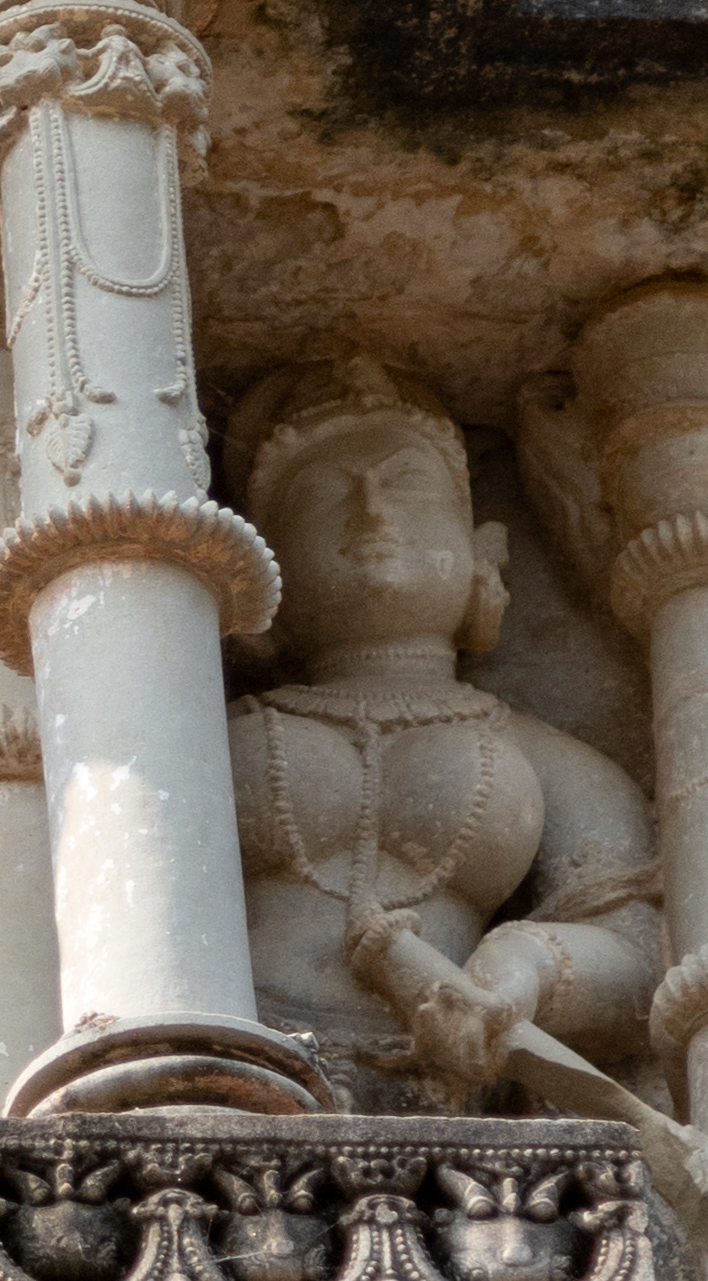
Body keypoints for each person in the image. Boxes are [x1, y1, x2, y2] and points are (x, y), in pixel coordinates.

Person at [223, 357, 664, 1099]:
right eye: (325, 495)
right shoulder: (201, 741)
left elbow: (642, 968)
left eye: (406, 484)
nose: (372, 514)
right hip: (243, 1081)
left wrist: (521, 971)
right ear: (259, 585)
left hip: (460, 1098)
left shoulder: (543, 757)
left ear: (484, 556)